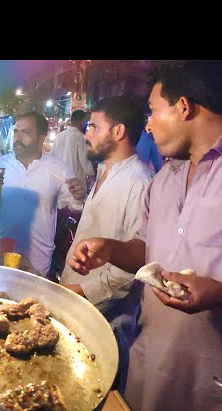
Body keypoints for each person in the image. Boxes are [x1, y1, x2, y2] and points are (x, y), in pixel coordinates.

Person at [68, 60, 222, 411]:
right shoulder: (165, 178)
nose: (147, 124)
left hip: (218, 388)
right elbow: (147, 253)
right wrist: (111, 249)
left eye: (152, 111)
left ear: (184, 106)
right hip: (150, 369)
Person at [60, 96, 154, 393]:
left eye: (93, 127)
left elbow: (136, 264)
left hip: (106, 319)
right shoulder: (104, 171)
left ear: (118, 132)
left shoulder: (140, 181)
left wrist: (79, 292)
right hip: (75, 304)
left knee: (95, 393)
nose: (85, 133)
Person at [0, 111, 86, 278]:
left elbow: (74, 207)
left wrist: (78, 197)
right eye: (16, 132)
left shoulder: (58, 169)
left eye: (25, 132)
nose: (18, 137)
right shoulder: (0, 166)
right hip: (3, 250)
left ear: (41, 138)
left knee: (32, 301)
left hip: (38, 255)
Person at [51, 109, 94, 187]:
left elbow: (52, 157)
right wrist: (93, 173)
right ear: (82, 121)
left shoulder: (59, 135)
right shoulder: (80, 137)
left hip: (58, 181)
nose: (86, 124)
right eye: (85, 122)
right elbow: (84, 162)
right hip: (74, 184)